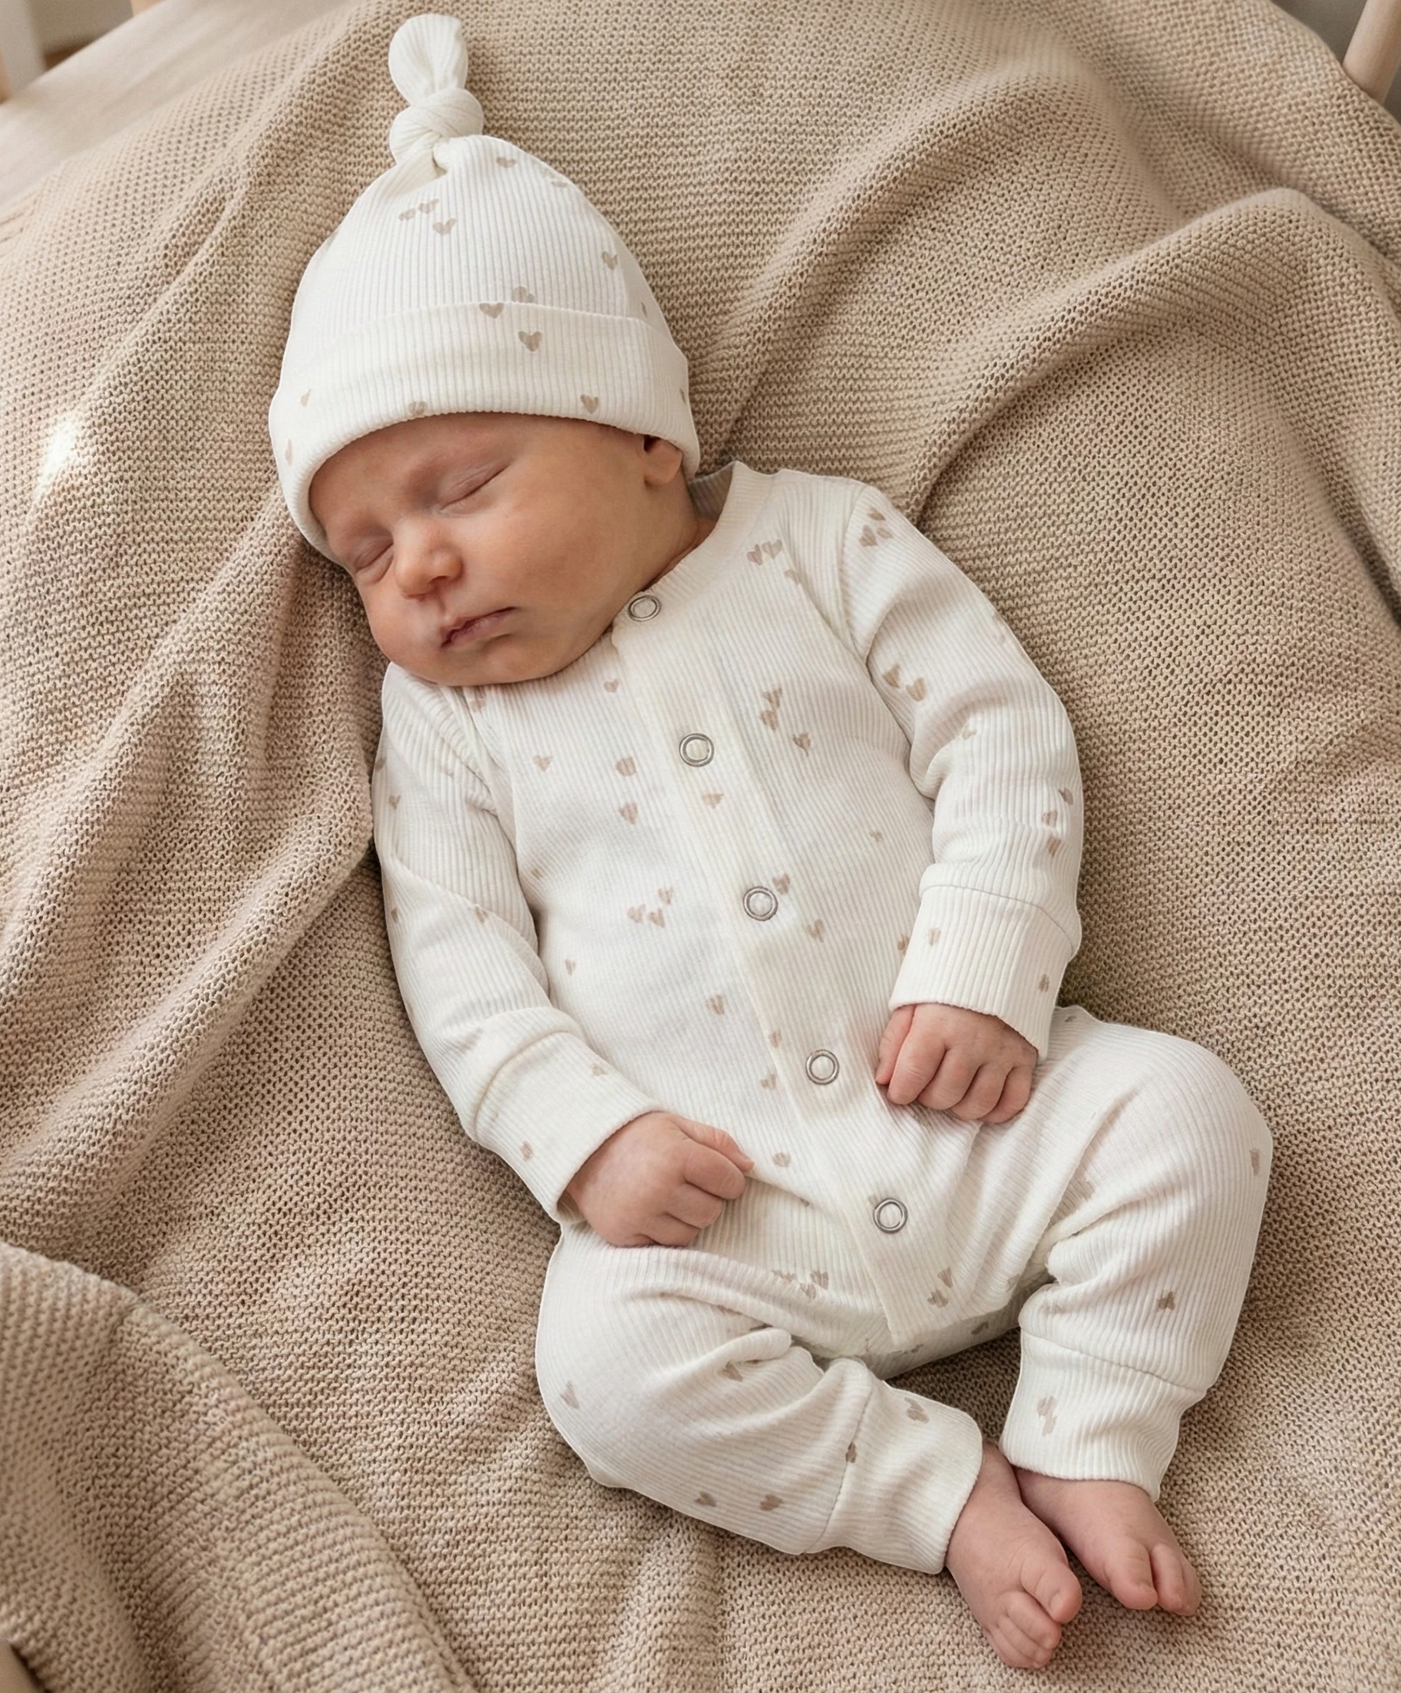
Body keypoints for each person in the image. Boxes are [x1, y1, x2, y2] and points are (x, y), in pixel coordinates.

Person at [269, 14, 1271, 1671]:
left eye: (461, 487)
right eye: (363, 550)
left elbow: (999, 733)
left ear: (642, 434)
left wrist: (986, 970)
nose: (418, 571)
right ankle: (937, 1494)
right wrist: (581, 1140)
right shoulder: (447, 729)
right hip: (726, 1219)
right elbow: (456, 959)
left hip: (979, 1109)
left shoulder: (823, 540)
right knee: (601, 1371)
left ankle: (1091, 1423)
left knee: (1190, 1119)